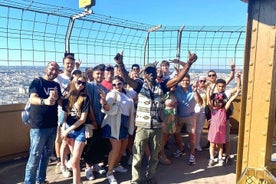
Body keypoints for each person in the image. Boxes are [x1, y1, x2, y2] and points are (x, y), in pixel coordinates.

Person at [114, 50, 197, 184]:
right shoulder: (140, 86)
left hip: (157, 127)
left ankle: (150, 177)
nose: (151, 73)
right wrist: (120, 64)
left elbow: (177, 79)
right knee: (138, 155)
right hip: (142, 127)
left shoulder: (162, 86)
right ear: (145, 75)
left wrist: (188, 64)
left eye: (153, 71)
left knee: (154, 156)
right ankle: (135, 180)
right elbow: (127, 79)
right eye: (148, 72)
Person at [24, 61, 62, 184]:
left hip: (52, 125)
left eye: (56, 70)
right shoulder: (37, 82)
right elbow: (32, 98)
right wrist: (44, 101)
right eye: (51, 69)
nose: (54, 72)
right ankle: (29, 182)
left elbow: (61, 101)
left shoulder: (56, 85)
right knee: (34, 157)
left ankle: (41, 180)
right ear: (46, 69)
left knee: (46, 156)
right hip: (38, 126)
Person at [100, 75, 135, 184]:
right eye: (114, 84)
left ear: (123, 84)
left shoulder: (127, 93)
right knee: (116, 148)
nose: (116, 86)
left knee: (122, 147)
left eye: (119, 83)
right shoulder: (112, 94)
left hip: (124, 123)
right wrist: (104, 102)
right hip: (114, 123)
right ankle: (109, 172)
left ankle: (115, 165)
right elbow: (107, 108)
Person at [61, 74, 89, 184]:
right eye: (79, 82)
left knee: (75, 161)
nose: (81, 85)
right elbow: (64, 116)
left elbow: (82, 119)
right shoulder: (67, 98)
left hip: (78, 131)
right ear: (74, 82)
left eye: (83, 83)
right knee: (75, 163)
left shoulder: (85, 99)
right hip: (68, 130)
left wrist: (67, 130)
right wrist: (64, 129)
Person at [83, 64, 109, 181]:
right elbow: (88, 105)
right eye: (97, 73)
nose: (100, 75)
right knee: (89, 145)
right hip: (90, 121)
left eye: (101, 73)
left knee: (98, 144)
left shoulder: (105, 89)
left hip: (101, 121)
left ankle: (96, 165)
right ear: (92, 74)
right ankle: (88, 168)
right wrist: (93, 120)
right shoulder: (89, 86)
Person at [173, 74, 203, 165]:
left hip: (190, 116)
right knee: (176, 133)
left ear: (189, 81)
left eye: (187, 80)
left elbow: (200, 102)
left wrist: (195, 92)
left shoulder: (193, 89)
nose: (185, 82)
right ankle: (181, 149)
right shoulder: (176, 89)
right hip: (179, 116)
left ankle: (192, 155)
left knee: (192, 135)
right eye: (183, 80)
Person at [206, 88, 240, 166]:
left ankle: (220, 157)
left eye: (221, 101)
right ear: (214, 102)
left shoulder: (224, 110)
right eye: (217, 101)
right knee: (212, 145)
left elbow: (230, 100)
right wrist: (208, 92)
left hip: (221, 131)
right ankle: (212, 158)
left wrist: (236, 94)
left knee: (220, 145)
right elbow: (208, 102)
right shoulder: (213, 110)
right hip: (213, 131)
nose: (219, 103)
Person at [54, 54, 75, 177]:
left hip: (74, 113)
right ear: (64, 64)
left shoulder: (75, 77)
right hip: (61, 112)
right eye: (67, 63)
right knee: (61, 138)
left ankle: (67, 161)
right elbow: (58, 98)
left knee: (69, 138)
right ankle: (60, 161)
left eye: (71, 63)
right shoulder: (59, 78)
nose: (69, 65)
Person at [159, 85, 178, 165]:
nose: (174, 87)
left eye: (175, 86)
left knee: (166, 136)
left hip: (172, 117)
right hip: (166, 117)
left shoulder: (173, 93)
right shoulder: (165, 94)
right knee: (163, 137)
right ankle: (161, 154)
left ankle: (161, 153)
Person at [194, 75, 208, 151]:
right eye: (201, 81)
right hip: (195, 109)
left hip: (203, 110)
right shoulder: (195, 89)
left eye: (204, 81)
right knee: (193, 128)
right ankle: (192, 143)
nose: (202, 82)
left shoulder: (206, 89)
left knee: (199, 128)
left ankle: (197, 144)